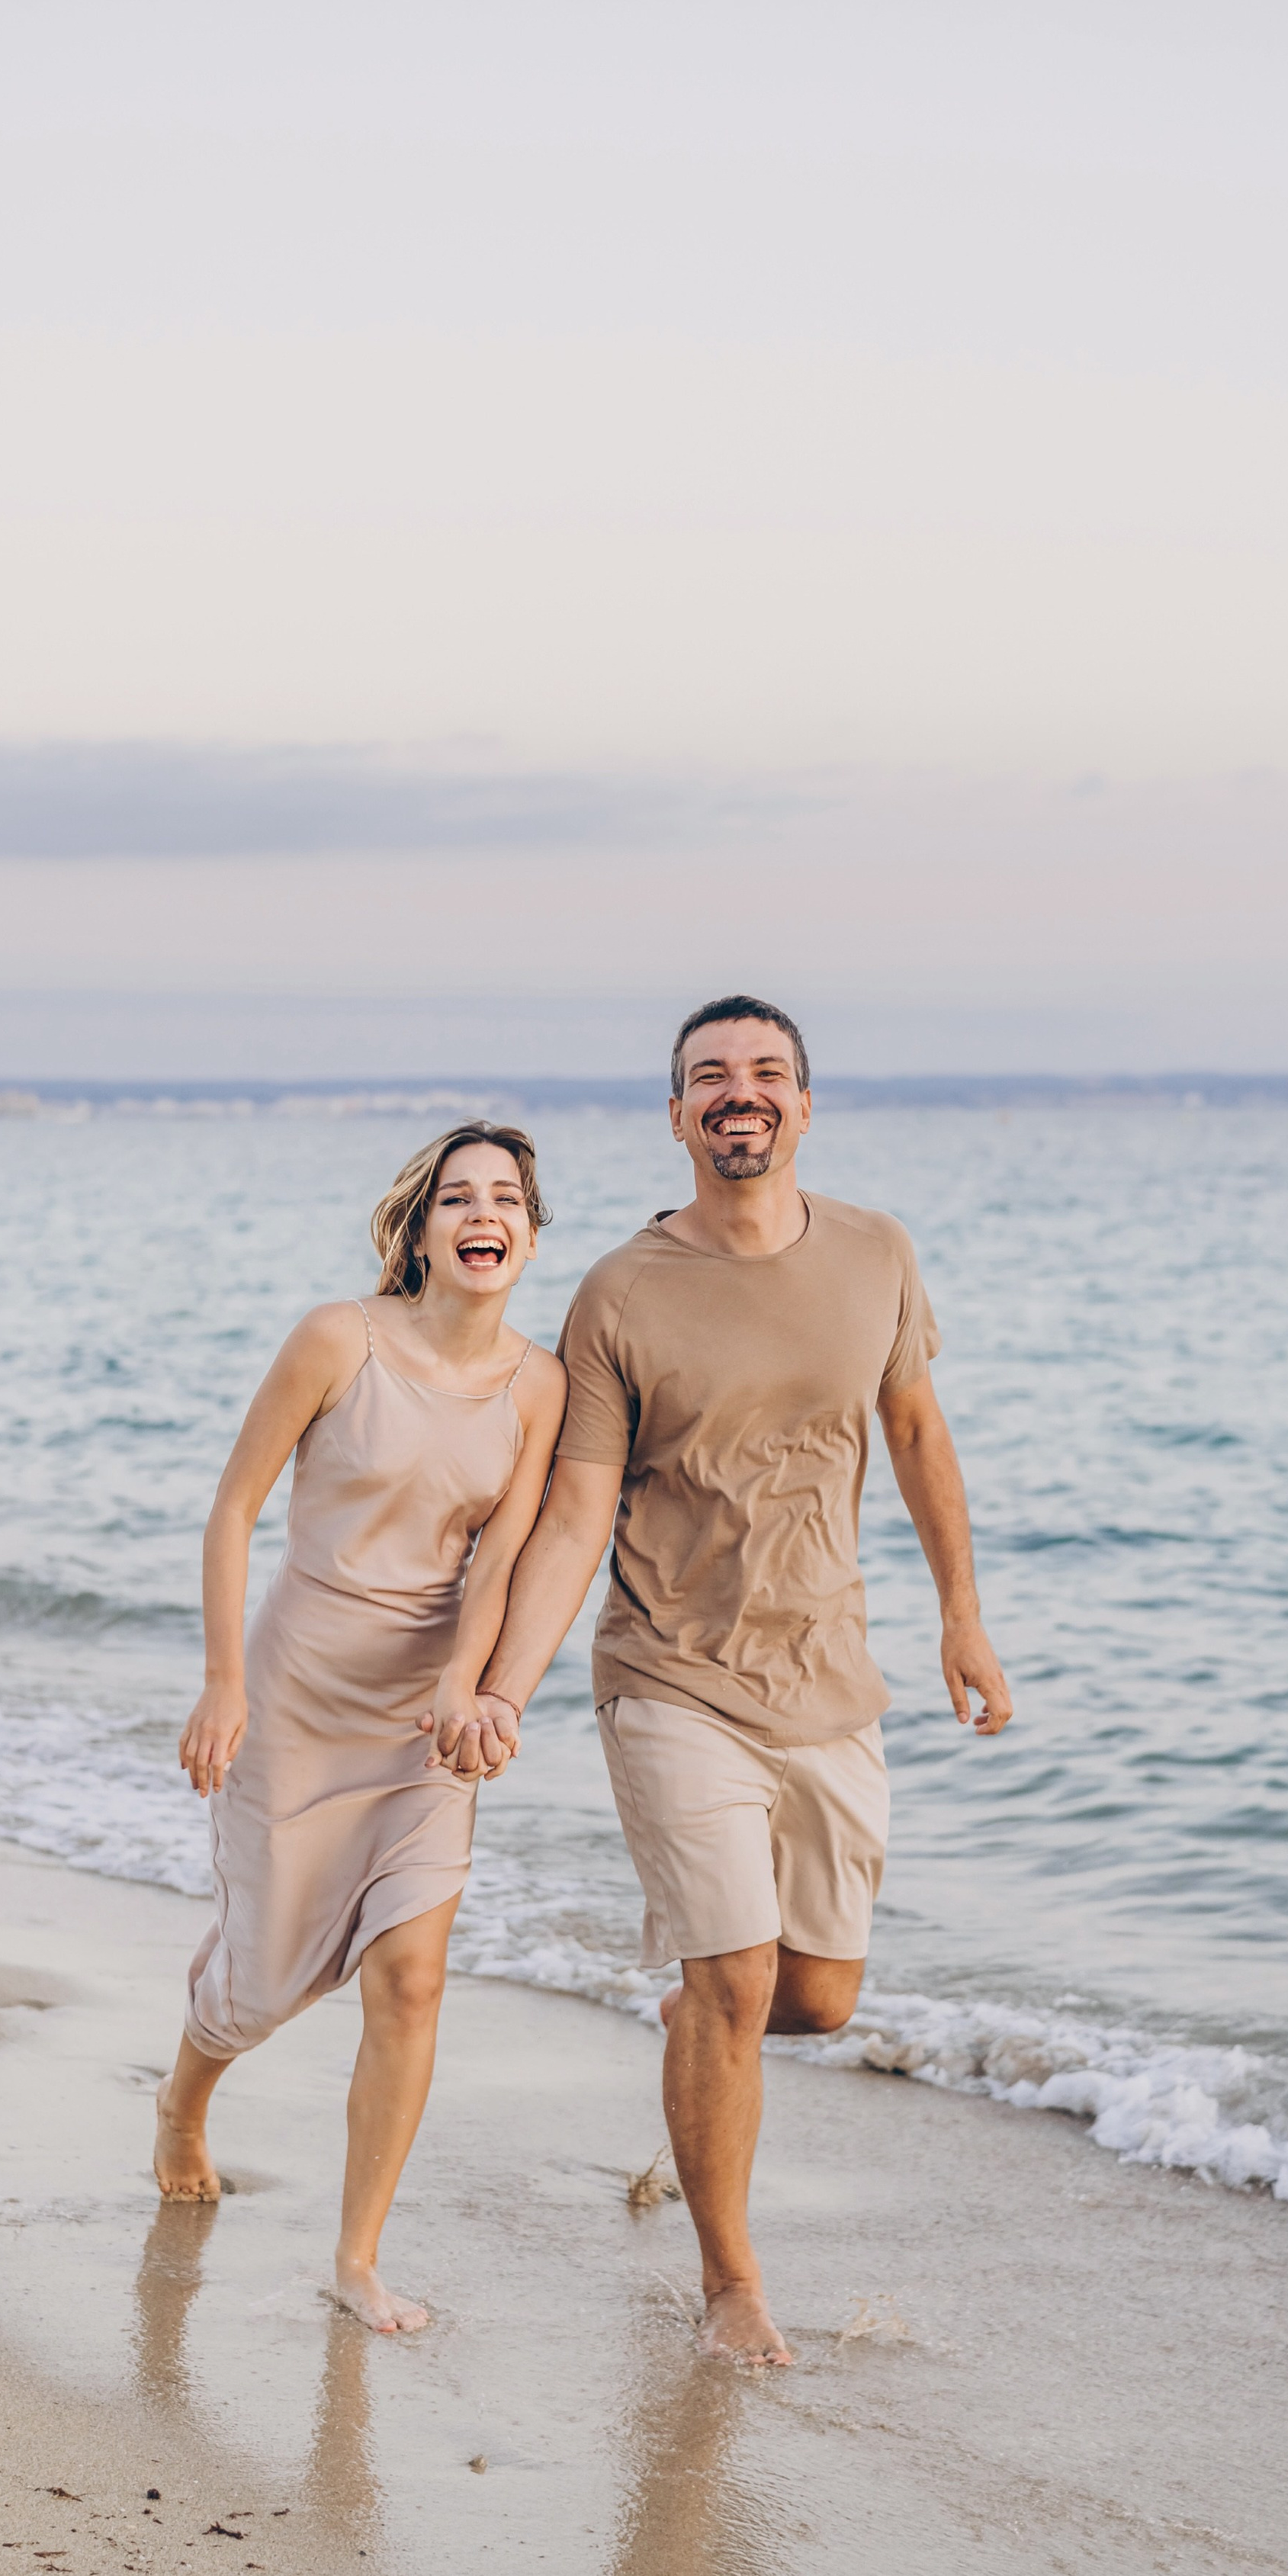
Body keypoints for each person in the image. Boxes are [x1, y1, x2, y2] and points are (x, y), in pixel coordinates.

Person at [435, 998, 1011, 2366]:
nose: (737, 1094)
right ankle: (730, 2285)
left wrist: (964, 1619)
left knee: (814, 2002)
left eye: (764, 1074)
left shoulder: (877, 1253)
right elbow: (575, 1514)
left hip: (831, 1673)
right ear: (678, 1115)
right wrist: (505, 1686)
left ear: (805, 1106)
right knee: (743, 1979)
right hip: (667, 1674)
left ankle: (696, 2019)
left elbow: (917, 1428)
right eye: (709, 1078)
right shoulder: (621, 1295)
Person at [156, 1126, 566, 2335]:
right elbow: (234, 1510)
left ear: (532, 1234)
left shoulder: (540, 1387)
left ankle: (357, 2257)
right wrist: (224, 1681)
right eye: (458, 1197)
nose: (482, 1215)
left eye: (506, 1199)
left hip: (421, 1717)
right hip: (294, 1688)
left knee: (413, 1976)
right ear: (422, 1227)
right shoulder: (341, 1338)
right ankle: (188, 2092)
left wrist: (465, 1682)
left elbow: (500, 1559)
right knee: (263, 1981)